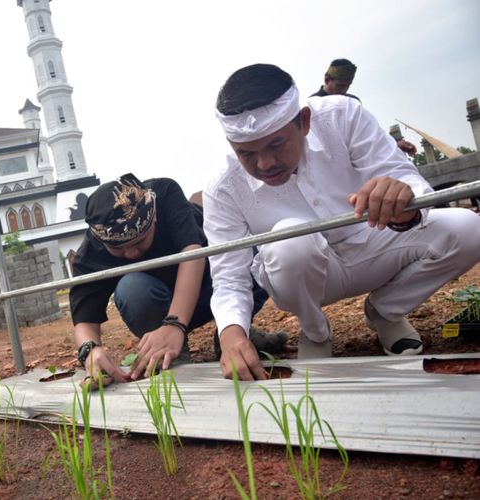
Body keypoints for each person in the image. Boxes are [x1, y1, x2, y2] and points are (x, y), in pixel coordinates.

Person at [206, 63, 480, 381]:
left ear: (304, 122)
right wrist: (231, 334)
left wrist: (403, 200)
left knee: (469, 229)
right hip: (303, 272)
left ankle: (385, 311)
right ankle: (316, 332)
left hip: (374, 239)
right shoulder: (224, 188)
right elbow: (229, 277)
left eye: (276, 144)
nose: (265, 163)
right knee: (288, 240)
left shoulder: (342, 116)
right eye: (246, 154)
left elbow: (404, 177)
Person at [70, 173, 287, 384]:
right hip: (158, 304)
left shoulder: (164, 194)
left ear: (154, 218)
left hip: (214, 286)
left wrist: (175, 325)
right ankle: (169, 354)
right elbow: (84, 318)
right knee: (131, 288)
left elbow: (193, 255)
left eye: (140, 242)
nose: (132, 254)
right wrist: (90, 352)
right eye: (120, 250)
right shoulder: (92, 249)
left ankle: (233, 331)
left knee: (255, 256)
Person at [310, 58, 417, 156]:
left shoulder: (353, 102)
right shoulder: (313, 106)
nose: (344, 90)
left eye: (348, 86)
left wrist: (395, 142)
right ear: (327, 80)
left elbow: (369, 131)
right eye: (341, 85)